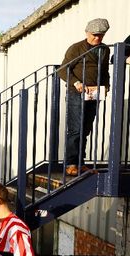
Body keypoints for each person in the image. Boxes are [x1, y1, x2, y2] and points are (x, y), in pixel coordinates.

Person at [58, 18, 110, 176]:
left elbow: (105, 70)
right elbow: (62, 70)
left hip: (94, 93)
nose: (98, 38)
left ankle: (80, 163)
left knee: (85, 129)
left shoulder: (105, 49)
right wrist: (75, 82)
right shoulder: (76, 48)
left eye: (101, 35)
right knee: (76, 129)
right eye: (95, 35)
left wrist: (106, 85)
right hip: (77, 93)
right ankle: (71, 163)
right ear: (87, 32)